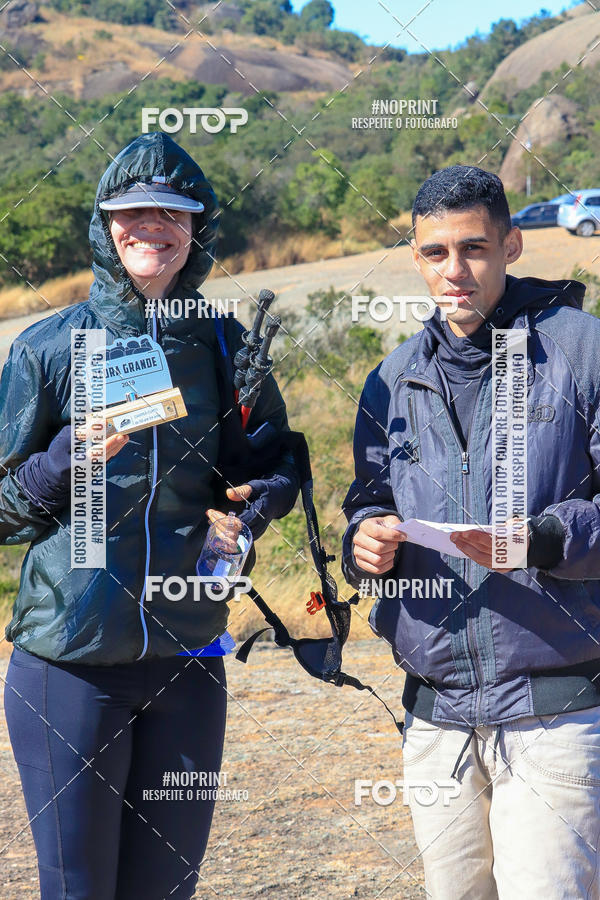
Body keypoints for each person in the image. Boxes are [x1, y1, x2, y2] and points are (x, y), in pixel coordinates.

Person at [1, 131, 299, 899]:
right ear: (105, 225)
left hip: (189, 661)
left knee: (168, 891)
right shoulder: (49, 349)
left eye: (172, 211)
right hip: (69, 663)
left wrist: (254, 507)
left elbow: (275, 464)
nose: (151, 225)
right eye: (131, 211)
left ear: (198, 227)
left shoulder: (227, 347)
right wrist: (60, 462)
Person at [342, 165, 600, 899]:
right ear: (416, 257)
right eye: (435, 253)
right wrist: (365, 542)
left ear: (511, 245)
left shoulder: (583, 351)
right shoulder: (392, 379)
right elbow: (368, 499)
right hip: (437, 720)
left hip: (555, 714)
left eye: (474, 249)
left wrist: (543, 539)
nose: (454, 271)